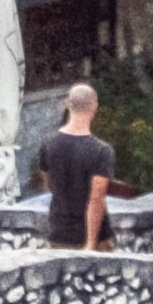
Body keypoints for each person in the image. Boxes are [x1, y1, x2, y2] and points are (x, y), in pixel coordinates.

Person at [35, 83, 115, 249]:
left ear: (67, 104)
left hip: (59, 232)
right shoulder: (102, 150)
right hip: (94, 238)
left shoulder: (48, 144)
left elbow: (49, 184)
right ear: (94, 107)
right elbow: (96, 199)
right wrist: (91, 244)